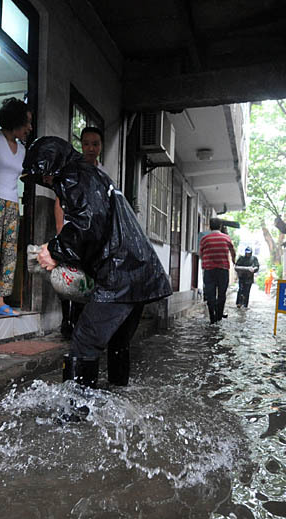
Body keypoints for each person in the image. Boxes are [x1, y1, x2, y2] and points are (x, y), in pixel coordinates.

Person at [25, 136, 172, 389]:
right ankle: (118, 397)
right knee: (118, 342)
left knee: (83, 341)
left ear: (54, 165)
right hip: (137, 271)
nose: (46, 180)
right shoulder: (90, 175)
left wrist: (55, 250)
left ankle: (75, 415)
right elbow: (97, 227)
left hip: (120, 275)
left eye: (45, 174)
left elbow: (89, 224)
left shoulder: (75, 177)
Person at [0, 97, 33, 317]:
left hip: (11, 205)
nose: (30, 127)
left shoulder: (22, 150)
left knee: (8, 254)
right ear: (15, 119)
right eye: (27, 122)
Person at [54, 127, 105, 338]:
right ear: (80, 145)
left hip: (92, 234)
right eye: (86, 143)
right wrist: (60, 230)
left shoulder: (103, 174)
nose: (90, 148)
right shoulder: (71, 169)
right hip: (71, 230)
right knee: (68, 277)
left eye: (95, 144)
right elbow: (59, 200)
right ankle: (67, 322)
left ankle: (80, 324)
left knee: (86, 280)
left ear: (101, 146)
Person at [199, 218, 235, 323]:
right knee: (222, 294)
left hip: (209, 270)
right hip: (223, 270)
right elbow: (232, 251)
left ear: (210, 226)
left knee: (210, 294)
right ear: (220, 226)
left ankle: (212, 318)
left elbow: (201, 254)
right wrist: (233, 260)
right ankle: (219, 316)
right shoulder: (226, 238)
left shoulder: (205, 239)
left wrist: (206, 260)